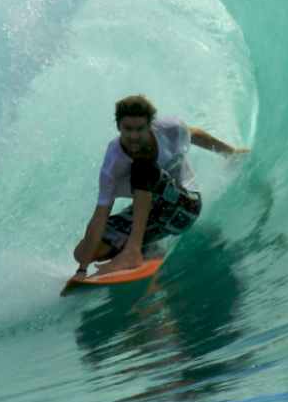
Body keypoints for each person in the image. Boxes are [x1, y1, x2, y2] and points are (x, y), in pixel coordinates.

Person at [72, 94, 248, 280]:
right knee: (84, 251)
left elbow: (194, 134)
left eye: (140, 129)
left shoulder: (169, 128)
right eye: (127, 129)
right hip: (150, 212)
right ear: (118, 127)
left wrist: (230, 152)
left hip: (185, 206)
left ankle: (132, 251)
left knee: (142, 167)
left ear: (150, 125)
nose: (133, 136)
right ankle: (146, 248)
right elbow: (100, 215)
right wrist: (82, 269)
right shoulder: (113, 160)